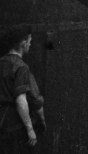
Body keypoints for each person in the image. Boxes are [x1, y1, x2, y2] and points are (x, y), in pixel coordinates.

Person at [0, 26, 45, 154]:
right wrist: (30, 129)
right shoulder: (21, 66)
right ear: (23, 43)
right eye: (30, 41)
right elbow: (21, 100)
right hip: (14, 124)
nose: (30, 44)